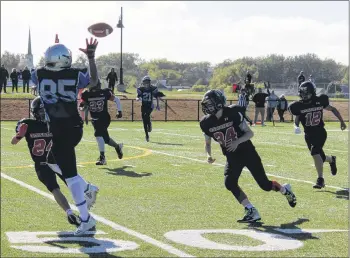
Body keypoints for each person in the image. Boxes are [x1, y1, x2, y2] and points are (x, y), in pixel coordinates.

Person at [31, 37, 100, 235]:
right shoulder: (75, 73)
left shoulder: (38, 74)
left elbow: (42, 81)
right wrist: (91, 58)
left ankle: (86, 220)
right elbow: (94, 81)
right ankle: (87, 187)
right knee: (51, 161)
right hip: (71, 127)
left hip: (62, 128)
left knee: (69, 176)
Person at [200, 90, 297, 222]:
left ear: (218, 103)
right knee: (229, 183)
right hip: (232, 156)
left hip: (247, 152)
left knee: (265, 185)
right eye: (207, 104)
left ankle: (285, 190)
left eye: (210, 104)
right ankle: (251, 209)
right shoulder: (206, 123)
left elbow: (249, 133)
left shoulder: (233, 113)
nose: (207, 107)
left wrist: (237, 142)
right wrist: (208, 155)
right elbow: (207, 142)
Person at [11, 97, 81, 227]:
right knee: (65, 186)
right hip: (52, 163)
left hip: (49, 163)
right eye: (42, 111)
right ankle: (75, 211)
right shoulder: (38, 124)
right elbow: (14, 141)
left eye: (45, 111)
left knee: (59, 188)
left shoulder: (35, 123)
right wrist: (19, 136)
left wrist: (18, 136)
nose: (44, 114)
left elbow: (14, 141)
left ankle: (70, 211)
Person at [289, 81, 347, 189]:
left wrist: (342, 121)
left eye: (307, 93)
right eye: (303, 93)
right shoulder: (298, 105)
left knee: (315, 152)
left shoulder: (319, 101)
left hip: (320, 132)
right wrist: (295, 127)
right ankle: (331, 159)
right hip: (308, 135)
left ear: (313, 92)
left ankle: (320, 179)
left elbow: (333, 109)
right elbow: (296, 119)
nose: (304, 95)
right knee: (320, 157)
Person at [80, 81, 124, 165]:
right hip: (94, 119)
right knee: (106, 140)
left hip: (104, 118)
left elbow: (117, 99)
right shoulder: (86, 94)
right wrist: (83, 108)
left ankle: (102, 158)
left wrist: (119, 111)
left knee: (98, 135)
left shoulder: (104, 92)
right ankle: (118, 147)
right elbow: (82, 104)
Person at [136, 75, 160, 142]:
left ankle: (149, 124)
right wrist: (137, 98)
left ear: (149, 82)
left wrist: (158, 105)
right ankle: (147, 135)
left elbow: (157, 97)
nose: (146, 83)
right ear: (143, 82)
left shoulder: (153, 88)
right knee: (144, 121)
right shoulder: (141, 89)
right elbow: (137, 96)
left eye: (147, 82)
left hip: (150, 105)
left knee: (146, 116)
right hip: (144, 106)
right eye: (145, 82)